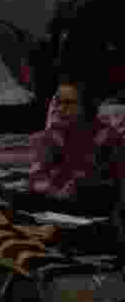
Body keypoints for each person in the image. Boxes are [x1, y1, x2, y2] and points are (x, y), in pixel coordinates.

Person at [24, 76, 124, 215]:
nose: (60, 109)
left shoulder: (108, 137)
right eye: (58, 103)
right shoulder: (50, 137)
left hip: (96, 210)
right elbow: (36, 179)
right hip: (54, 208)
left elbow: (115, 183)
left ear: (86, 105)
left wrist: (82, 187)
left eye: (68, 103)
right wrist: (55, 191)